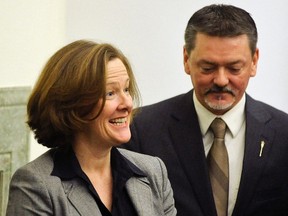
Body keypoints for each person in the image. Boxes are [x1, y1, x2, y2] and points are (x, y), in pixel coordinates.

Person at [122, 4, 288, 216]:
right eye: (207, 68)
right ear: (186, 59)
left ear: (254, 61)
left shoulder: (283, 135)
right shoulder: (141, 131)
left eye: (234, 68)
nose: (220, 80)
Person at [6, 40, 177, 216]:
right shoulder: (35, 185)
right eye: (110, 93)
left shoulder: (153, 171)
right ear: (73, 105)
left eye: (126, 90)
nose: (127, 103)